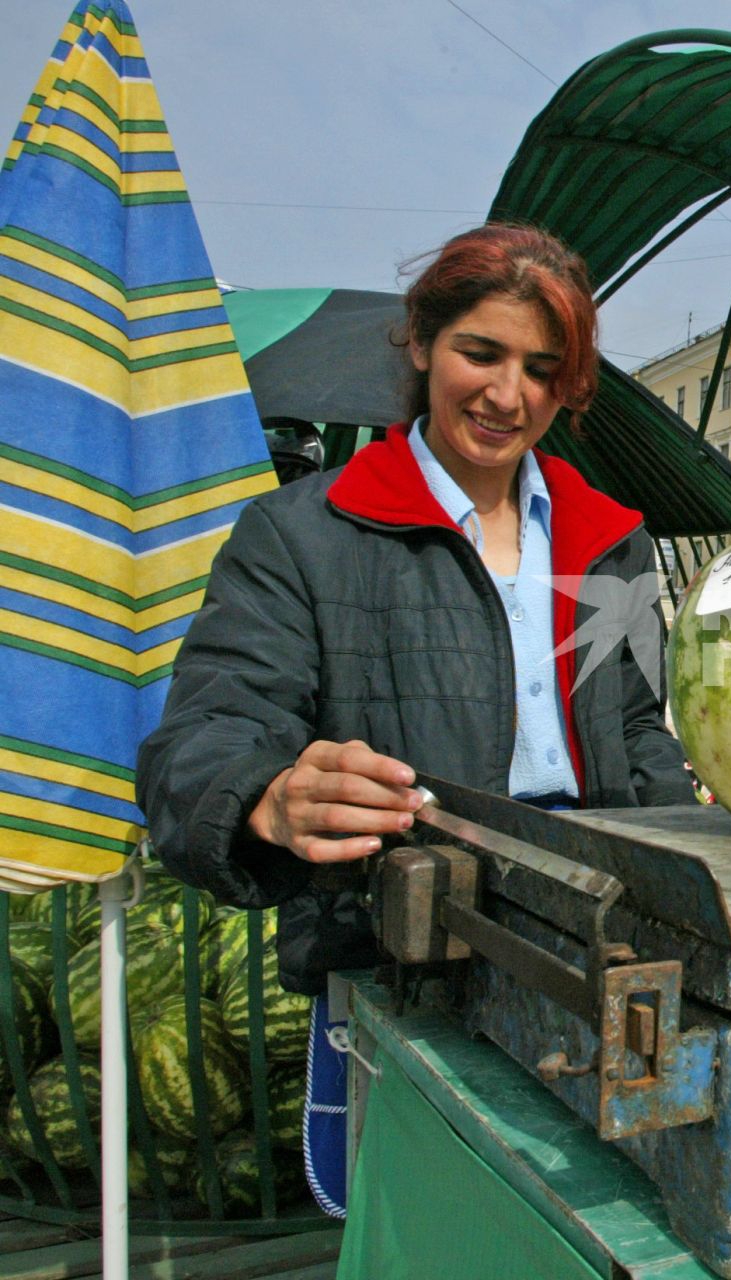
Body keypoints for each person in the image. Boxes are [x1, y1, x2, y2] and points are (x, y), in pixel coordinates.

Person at [136, 224, 694, 1209]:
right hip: (404, 967)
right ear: (424, 344)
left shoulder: (612, 542)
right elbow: (200, 735)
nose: (506, 394)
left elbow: (638, 727)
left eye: (541, 368)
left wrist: (694, 863)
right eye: (481, 352)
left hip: (598, 963)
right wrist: (265, 792)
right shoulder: (305, 535)